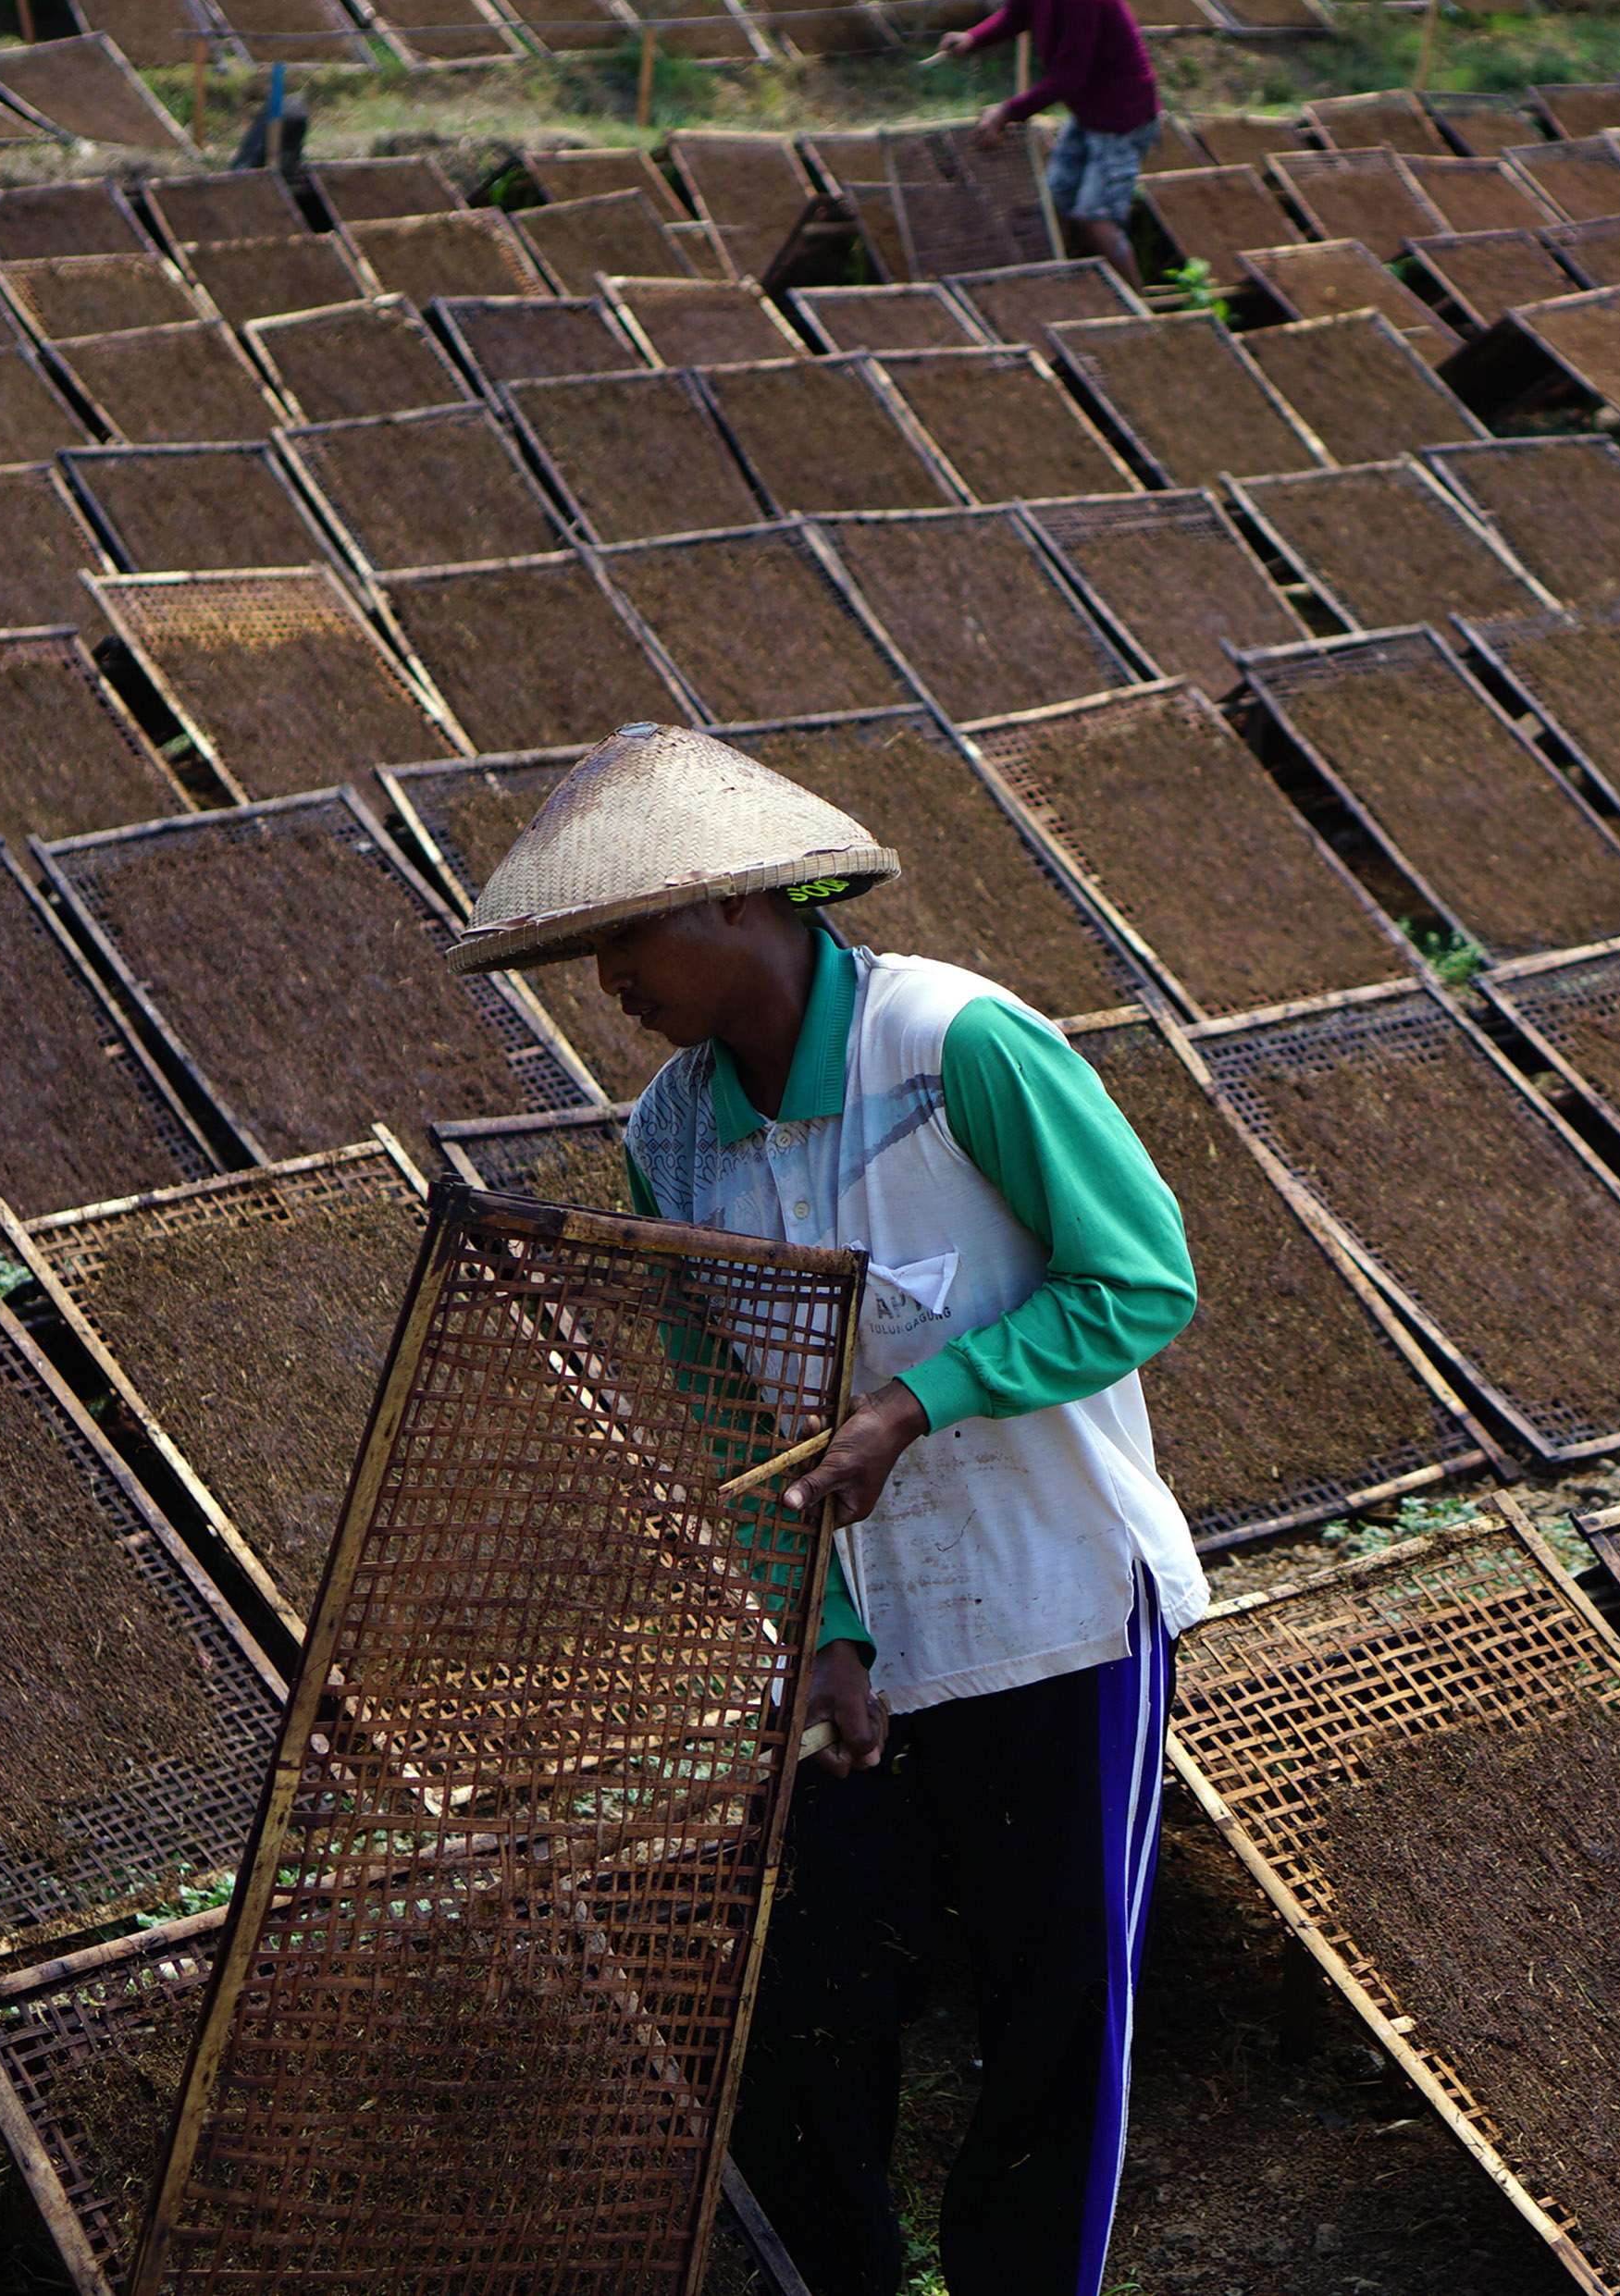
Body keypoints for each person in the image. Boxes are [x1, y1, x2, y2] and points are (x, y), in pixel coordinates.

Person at [444, 721, 1207, 2296]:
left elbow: (1139, 1280)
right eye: (584, 953)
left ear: (741, 903)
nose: (608, 986)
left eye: (625, 938)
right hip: (869, 1650)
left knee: (1055, 2019)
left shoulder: (956, 1046)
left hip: (1059, 1608)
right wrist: (827, 1630)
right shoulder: (672, 1141)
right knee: (797, 2003)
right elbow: (731, 1406)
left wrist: (915, 1400)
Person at [939, 0, 1161, 290]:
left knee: (1096, 214)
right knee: (1058, 196)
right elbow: (1015, 16)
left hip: (1122, 118)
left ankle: (1139, 309)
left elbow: (1067, 77)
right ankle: (1080, 285)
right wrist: (972, 38)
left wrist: (1008, 111)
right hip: (1091, 113)